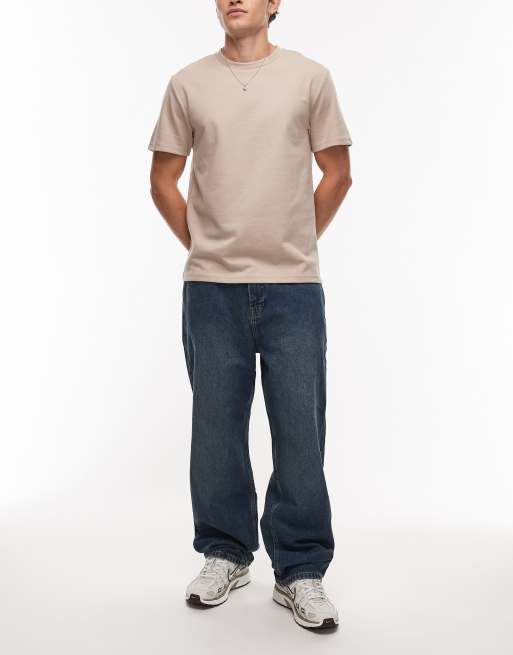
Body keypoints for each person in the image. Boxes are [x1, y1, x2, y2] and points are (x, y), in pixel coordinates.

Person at [148, 0, 352, 630]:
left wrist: (295, 242)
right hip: (211, 289)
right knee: (215, 428)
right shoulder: (188, 83)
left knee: (300, 431)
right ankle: (225, 553)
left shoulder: (309, 77)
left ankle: (301, 570)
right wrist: (203, 246)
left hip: (293, 287)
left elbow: (338, 172)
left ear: (274, 4)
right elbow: (162, 179)